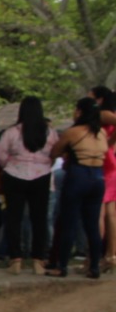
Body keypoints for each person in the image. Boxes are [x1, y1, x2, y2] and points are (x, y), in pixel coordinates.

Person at [47, 97, 107, 279]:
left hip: (78, 176)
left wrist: (67, 153)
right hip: (98, 178)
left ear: (80, 112)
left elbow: (54, 152)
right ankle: (94, 267)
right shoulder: (101, 133)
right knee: (92, 225)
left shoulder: (73, 132)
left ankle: (62, 266)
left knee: (69, 222)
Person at [0, 97, 57, 275]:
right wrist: (43, 165)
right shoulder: (50, 133)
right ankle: (38, 259)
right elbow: (54, 154)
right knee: (39, 219)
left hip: (14, 175)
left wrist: (11, 165)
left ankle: (15, 259)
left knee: (13, 218)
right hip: (41, 176)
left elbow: (1, 154)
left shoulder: (12, 132)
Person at [89, 87, 116, 271]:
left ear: (99, 99)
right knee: (111, 213)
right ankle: (111, 255)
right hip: (110, 161)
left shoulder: (103, 114)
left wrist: (107, 143)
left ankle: (95, 257)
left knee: (98, 212)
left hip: (103, 161)